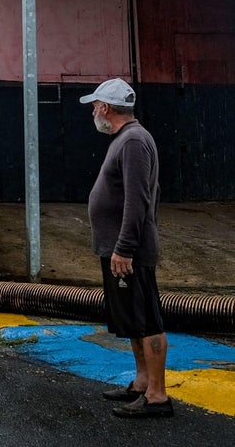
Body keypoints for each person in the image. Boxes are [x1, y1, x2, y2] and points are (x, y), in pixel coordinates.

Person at [79, 78, 172, 419]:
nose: (93, 111)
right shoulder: (126, 139)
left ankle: (158, 397)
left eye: (95, 106)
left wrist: (125, 248)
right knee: (133, 319)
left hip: (129, 252)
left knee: (147, 319)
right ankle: (142, 382)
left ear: (106, 108)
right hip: (120, 249)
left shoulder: (133, 141)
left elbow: (139, 201)